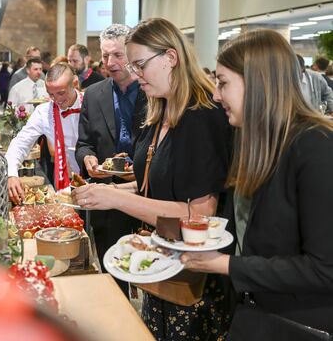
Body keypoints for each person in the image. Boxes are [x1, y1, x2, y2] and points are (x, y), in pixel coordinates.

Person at [72, 18, 233, 340]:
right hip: (163, 263)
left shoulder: (200, 116)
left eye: (140, 64)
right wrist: (109, 189)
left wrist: (117, 198)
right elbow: (153, 182)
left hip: (192, 278)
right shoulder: (160, 109)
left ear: (171, 57)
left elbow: (200, 216)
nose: (135, 74)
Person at [182, 29, 333, 339]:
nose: (215, 95)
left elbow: (324, 269)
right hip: (255, 317)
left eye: (223, 83)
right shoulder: (250, 139)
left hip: (297, 325)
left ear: (259, 82)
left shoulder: (316, 146)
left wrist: (226, 265)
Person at [75, 24, 147, 291]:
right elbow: (83, 144)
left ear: (131, 53)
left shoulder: (150, 90)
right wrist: (88, 160)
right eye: (105, 56)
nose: (110, 63)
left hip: (146, 193)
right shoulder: (94, 94)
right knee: (113, 270)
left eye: (117, 55)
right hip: (108, 194)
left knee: (145, 266)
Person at [6, 63, 82, 204]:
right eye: (51, 94)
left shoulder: (91, 103)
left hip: (95, 179)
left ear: (75, 83)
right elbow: (20, 143)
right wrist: (11, 174)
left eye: (61, 93)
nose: (57, 100)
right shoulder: (43, 112)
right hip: (64, 180)